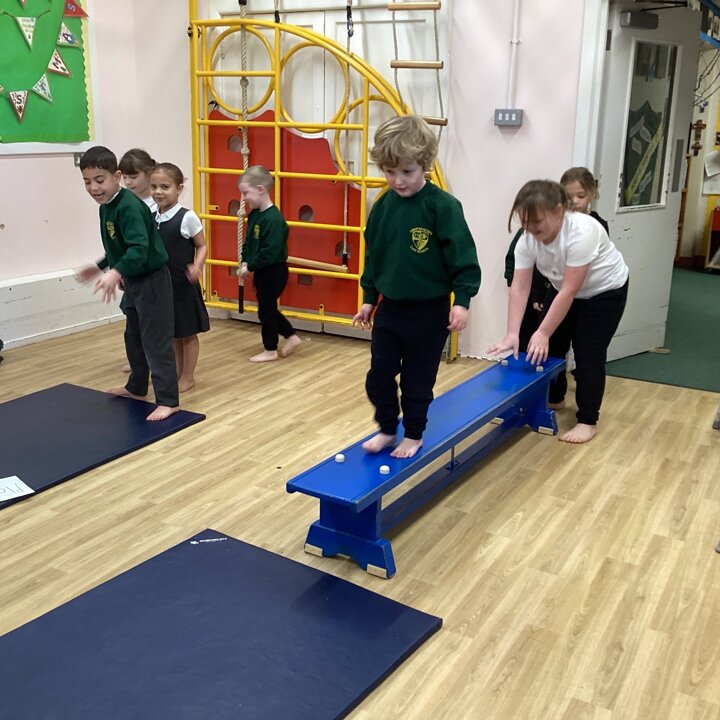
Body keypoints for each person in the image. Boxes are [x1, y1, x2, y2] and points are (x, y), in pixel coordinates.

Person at [352, 115, 481, 459]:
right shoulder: (382, 207)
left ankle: (413, 434)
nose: (398, 180)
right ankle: (386, 427)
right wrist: (368, 299)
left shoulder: (443, 207)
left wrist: (462, 301)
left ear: (425, 164)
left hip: (429, 312)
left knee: (417, 380)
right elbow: (374, 257)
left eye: (407, 172)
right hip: (391, 310)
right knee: (378, 376)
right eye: (390, 172)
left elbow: (463, 259)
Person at [488, 179, 629, 444]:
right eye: (525, 222)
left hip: (604, 291)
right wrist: (512, 333)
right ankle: (553, 399)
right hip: (562, 286)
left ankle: (587, 420)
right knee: (549, 347)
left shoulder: (582, 232)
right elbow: (519, 287)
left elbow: (569, 291)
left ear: (558, 210)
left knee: (588, 353)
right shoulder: (527, 240)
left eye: (537, 222)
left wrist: (542, 331)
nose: (530, 228)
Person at [75, 146, 180, 422]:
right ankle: (136, 387)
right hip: (133, 281)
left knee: (156, 341)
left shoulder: (129, 207)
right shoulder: (107, 208)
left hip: (152, 280)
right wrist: (100, 266)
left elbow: (138, 249)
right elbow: (118, 247)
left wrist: (115, 272)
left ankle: (169, 400)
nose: (93, 188)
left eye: (100, 180)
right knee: (133, 337)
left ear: (117, 176)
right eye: (87, 182)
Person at [150, 162, 210, 392]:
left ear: (179, 188)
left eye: (165, 187)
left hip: (183, 286)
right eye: (154, 186)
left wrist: (197, 266)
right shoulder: (152, 217)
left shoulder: (187, 217)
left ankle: (188, 376)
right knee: (174, 332)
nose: (158, 192)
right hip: (163, 287)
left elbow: (202, 245)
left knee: (188, 333)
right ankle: (177, 371)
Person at [237, 165, 301, 363]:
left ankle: (271, 349)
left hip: (274, 271)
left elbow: (270, 252)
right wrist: (245, 260)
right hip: (262, 270)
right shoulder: (255, 215)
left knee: (266, 309)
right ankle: (291, 336)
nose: (244, 198)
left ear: (260, 189)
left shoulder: (274, 220)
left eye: (246, 193)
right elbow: (249, 242)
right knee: (267, 308)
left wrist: (250, 266)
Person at [561, 166, 609, 235]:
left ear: (592, 194)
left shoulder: (599, 225)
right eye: (568, 197)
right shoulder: (558, 222)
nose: (574, 201)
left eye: (581, 196)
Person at [119, 148, 158, 213]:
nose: (128, 182)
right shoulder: (123, 202)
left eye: (133, 177)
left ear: (149, 174)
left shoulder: (160, 204)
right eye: (124, 177)